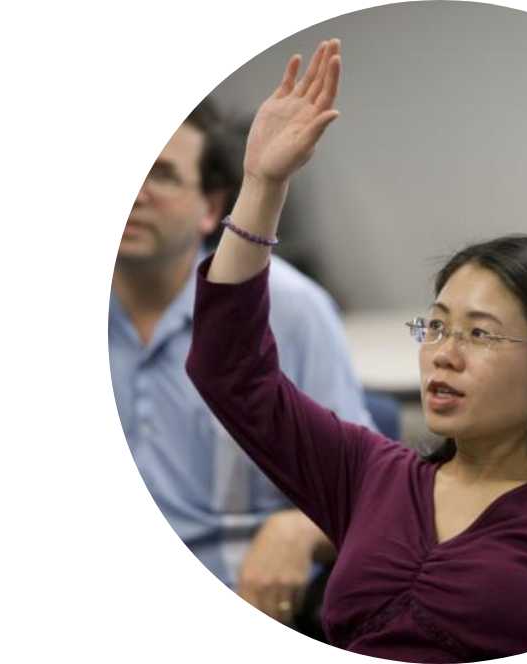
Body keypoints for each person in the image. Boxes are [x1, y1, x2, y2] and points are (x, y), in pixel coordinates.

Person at [185, 38, 527, 661]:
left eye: (479, 334)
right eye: (435, 327)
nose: (443, 355)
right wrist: (262, 186)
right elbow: (228, 370)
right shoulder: (372, 474)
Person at [109, 94, 373, 628]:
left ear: (212, 208)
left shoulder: (291, 310)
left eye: (161, 176)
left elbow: (370, 493)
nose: (138, 193)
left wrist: (298, 531)